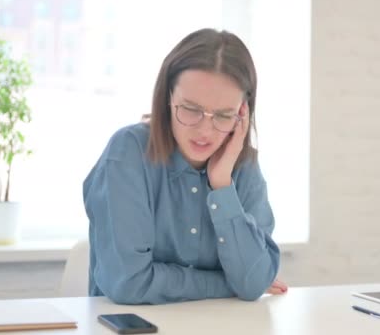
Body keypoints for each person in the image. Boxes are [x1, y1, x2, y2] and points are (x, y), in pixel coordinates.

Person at [83, 28, 287, 304]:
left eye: (224, 115)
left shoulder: (243, 165)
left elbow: (253, 282)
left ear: (243, 112)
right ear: (167, 97)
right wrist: (227, 285)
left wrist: (223, 185)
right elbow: (128, 283)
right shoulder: (128, 153)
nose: (205, 130)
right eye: (191, 109)